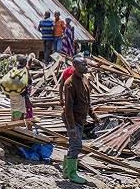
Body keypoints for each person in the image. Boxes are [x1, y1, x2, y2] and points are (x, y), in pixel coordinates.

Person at [62, 56, 99, 184]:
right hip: (72, 118)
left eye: (86, 64)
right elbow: (68, 109)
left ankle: (66, 171)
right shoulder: (70, 84)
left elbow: (87, 102)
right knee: (77, 145)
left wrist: (94, 116)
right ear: (75, 66)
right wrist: (71, 127)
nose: (86, 66)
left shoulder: (84, 80)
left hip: (81, 118)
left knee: (73, 144)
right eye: (83, 65)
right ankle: (72, 173)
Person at [2, 55, 32, 121]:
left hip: (11, 92)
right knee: (20, 110)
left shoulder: (14, 69)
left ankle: (14, 121)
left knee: (14, 108)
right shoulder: (24, 70)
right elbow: (29, 81)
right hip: (20, 93)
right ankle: (17, 124)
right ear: (25, 62)